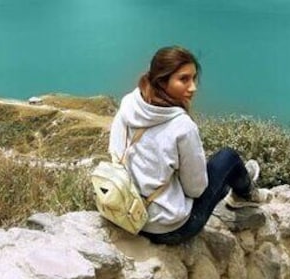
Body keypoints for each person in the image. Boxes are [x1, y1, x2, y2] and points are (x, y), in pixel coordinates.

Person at [109, 45, 268, 245]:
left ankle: (243, 184)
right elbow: (196, 190)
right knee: (228, 158)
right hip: (167, 229)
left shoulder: (129, 105)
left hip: (127, 215)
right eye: (183, 79)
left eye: (193, 78)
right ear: (161, 81)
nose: (193, 87)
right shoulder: (182, 127)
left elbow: (114, 152)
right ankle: (247, 193)